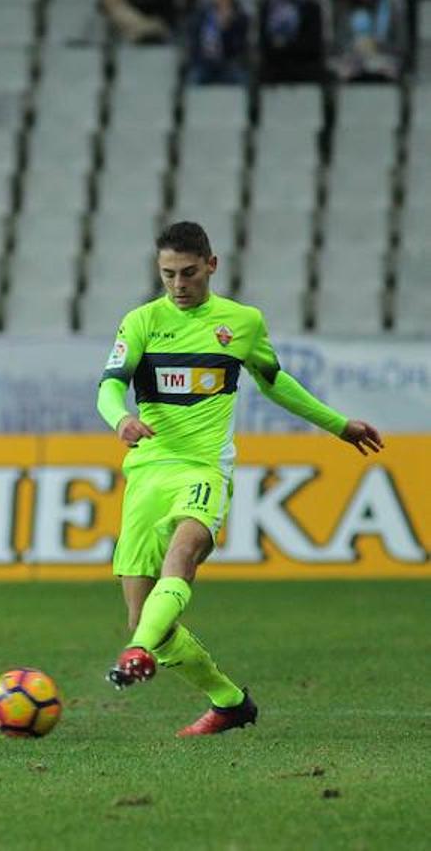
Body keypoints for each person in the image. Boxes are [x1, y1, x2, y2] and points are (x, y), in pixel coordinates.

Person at [97, 221, 383, 736]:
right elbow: (109, 387)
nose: (178, 285)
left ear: (211, 265)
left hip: (205, 469)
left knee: (181, 556)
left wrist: (339, 425)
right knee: (149, 623)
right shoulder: (140, 322)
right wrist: (120, 418)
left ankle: (136, 652)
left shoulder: (241, 322)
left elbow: (276, 384)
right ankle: (229, 702)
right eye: (167, 275)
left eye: (187, 273)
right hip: (147, 474)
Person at [260, 0, 327, 84]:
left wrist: (286, 44)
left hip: (303, 61)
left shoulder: (311, 7)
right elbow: (264, 41)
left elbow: (314, 42)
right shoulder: (267, 7)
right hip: (275, 63)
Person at [330, 0, 400, 82]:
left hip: (384, 60)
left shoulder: (390, 10)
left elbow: (401, 44)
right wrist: (355, 46)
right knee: (344, 70)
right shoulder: (347, 12)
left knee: (388, 69)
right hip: (354, 61)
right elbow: (339, 42)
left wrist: (377, 46)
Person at [186, 0, 251, 85]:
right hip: (204, 65)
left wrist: (226, 29)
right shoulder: (200, 16)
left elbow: (239, 49)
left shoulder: (241, 18)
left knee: (244, 79)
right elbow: (193, 44)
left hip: (229, 65)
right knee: (193, 80)